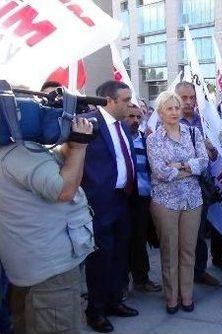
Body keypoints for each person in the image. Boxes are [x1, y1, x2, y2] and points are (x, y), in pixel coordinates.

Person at [0, 117, 94, 334]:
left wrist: (72, 145)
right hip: (52, 273)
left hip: (30, 265)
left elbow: (59, 165)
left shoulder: (17, 152)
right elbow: (64, 191)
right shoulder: (19, 154)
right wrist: (79, 147)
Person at [83, 80, 139, 333]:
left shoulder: (123, 127)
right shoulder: (88, 123)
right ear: (110, 101)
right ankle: (95, 311)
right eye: (126, 100)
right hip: (99, 203)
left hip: (122, 200)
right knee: (100, 259)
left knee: (119, 254)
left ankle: (115, 301)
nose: (130, 104)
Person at [147, 91, 210, 314]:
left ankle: (187, 295)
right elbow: (160, 172)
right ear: (160, 113)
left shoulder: (193, 133)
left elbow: (203, 163)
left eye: (177, 107)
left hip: (193, 200)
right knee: (169, 250)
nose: (174, 112)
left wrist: (179, 166)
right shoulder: (153, 139)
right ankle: (171, 297)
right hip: (165, 202)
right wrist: (187, 167)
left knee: (188, 251)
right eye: (169, 108)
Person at [175, 82, 222, 282]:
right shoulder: (167, 122)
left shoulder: (204, 122)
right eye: (184, 98)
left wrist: (210, 150)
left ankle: (198, 271)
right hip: (176, 189)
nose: (188, 102)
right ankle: (179, 275)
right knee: (180, 235)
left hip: (202, 186)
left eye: (192, 98)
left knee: (198, 232)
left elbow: (214, 156)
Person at [123, 104, 162, 294]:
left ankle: (141, 278)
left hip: (146, 198)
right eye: (131, 116)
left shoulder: (146, 141)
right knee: (124, 241)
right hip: (125, 198)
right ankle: (122, 281)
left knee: (140, 239)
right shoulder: (120, 140)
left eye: (138, 117)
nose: (135, 120)